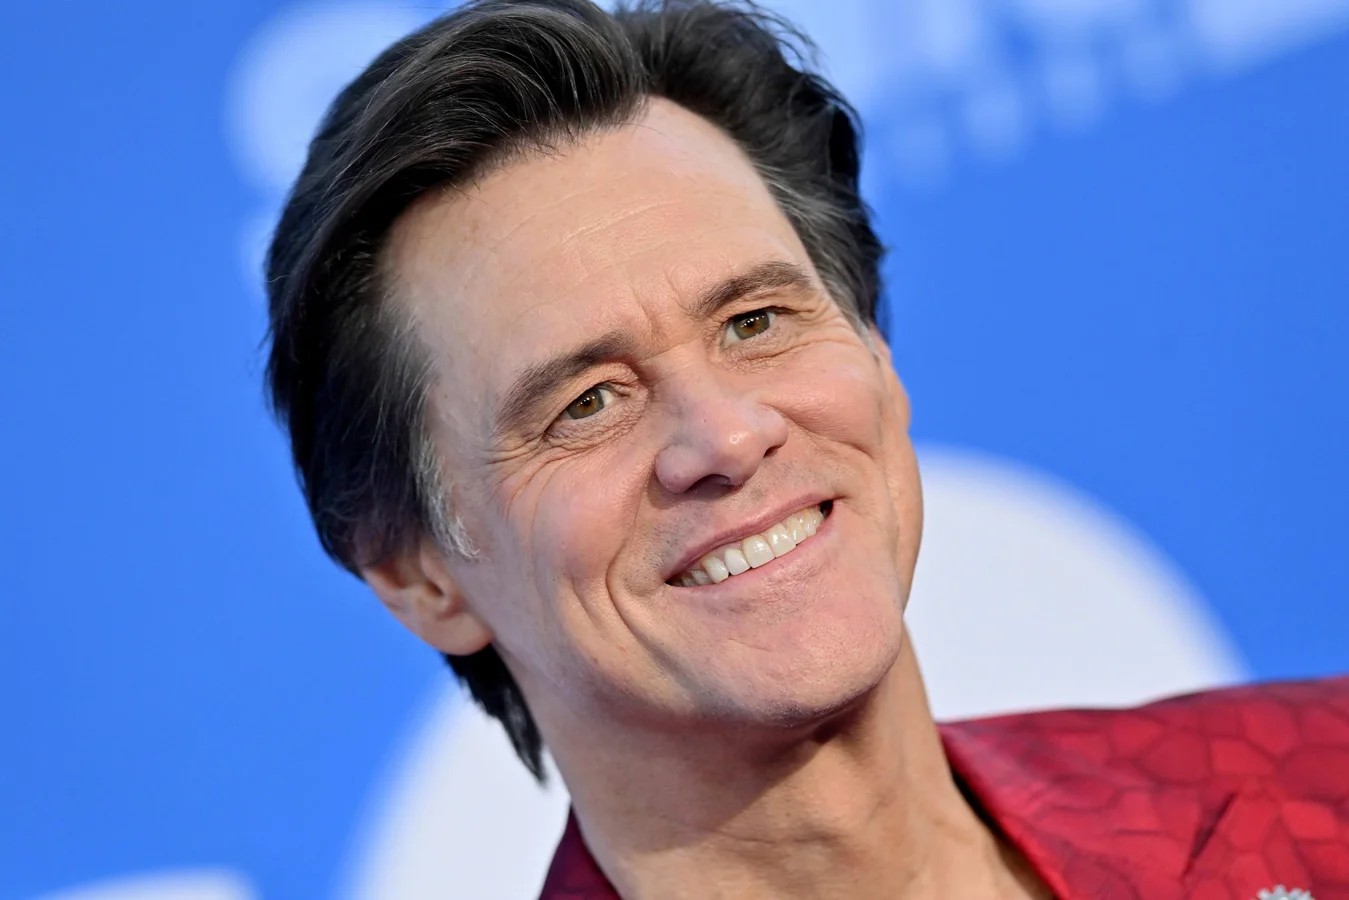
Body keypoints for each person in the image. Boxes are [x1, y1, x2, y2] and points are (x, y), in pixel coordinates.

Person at [262, 1, 1349, 897]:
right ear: (421, 578)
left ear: (877, 356)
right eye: (586, 403)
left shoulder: (1322, 783)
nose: (725, 436)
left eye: (754, 322)